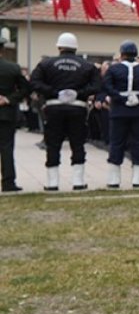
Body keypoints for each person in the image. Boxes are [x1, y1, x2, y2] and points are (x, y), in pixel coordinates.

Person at [30, 32, 102, 191]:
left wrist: (54, 92)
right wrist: (79, 93)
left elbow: (34, 82)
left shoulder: (46, 64)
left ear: (59, 47)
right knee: (77, 144)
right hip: (78, 107)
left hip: (54, 107)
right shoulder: (87, 65)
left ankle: (52, 182)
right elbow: (97, 86)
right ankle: (78, 181)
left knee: (53, 144)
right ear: (76, 48)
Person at [103, 40, 139, 189]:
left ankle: (114, 179)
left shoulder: (113, 69)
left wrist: (120, 98)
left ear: (122, 54)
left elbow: (107, 87)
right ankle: (138, 178)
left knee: (116, 143)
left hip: (118, 110)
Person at [0, 28, 30, 192]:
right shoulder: (12, 68)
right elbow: (25, 89)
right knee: (6, 148)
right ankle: (8, 182)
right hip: (6, 112)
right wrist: (9, 99)